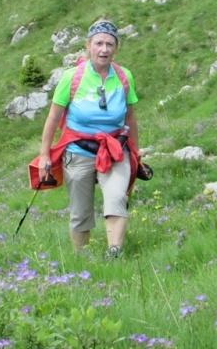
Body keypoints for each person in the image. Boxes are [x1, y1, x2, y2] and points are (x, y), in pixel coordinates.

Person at [37, 20, 140, 257]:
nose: (104, 49)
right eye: (99, 43)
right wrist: (44, 155)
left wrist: (136, 152)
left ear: (116, 48)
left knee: (117, 197)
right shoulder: (72, 77)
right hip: (78, 152)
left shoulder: (124, 77)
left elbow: (130, 117)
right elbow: (53, 118)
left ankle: (114, 254)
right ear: (88, 45)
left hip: (115, 150)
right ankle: (81, 259)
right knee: (80, 212)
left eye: (110, 44)